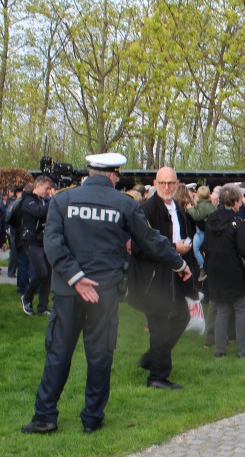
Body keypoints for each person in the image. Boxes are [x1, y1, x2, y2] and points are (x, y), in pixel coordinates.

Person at [21, 153, 190, 435]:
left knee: (58, 353)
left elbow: (52, 243)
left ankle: (45, 417)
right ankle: (92, 418)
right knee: (99, 355)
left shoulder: (62, 200)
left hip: (67, 291)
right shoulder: (123, 203)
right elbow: (149, 241)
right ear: (113, 176)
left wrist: (75, 277)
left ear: (89, 173)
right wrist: (179, 264)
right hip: (105, 292)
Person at [128, 166, 197, 390]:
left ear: (177, 184)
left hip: (174, 274)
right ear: (155, 184)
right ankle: (157, 377)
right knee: (159, 326)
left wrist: (183, 250)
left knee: (181, 317)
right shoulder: (146, 209)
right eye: (162, 183)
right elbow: (139, 245)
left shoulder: (177, 207)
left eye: (171, 183)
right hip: (154, 278)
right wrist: (173, 247)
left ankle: (152, 359)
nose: (167, 187)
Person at [203, 185, 245, 359]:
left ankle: (219, 350)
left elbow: (206, 245)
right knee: (241, 308)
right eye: (240, 199)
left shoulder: (211, 220)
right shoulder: (236, 222)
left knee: (222, 309)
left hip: (215, 270)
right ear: (234, 201)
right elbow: (244, 249)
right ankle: (243, 350)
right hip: (233, 271)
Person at [20, 174, 54, 316]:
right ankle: (27, 298)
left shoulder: (42, 201)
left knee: (48, 273)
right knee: (42, 271)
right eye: (46, 188)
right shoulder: (28, 201)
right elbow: (40, 213)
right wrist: (53, 200)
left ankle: (43, 306)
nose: (48, 191)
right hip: (31, 241)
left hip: (42, 241)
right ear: (37, 186)